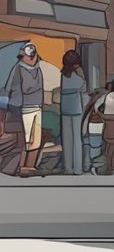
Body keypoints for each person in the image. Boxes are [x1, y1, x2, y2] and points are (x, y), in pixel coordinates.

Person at [2, 43, 47, 176]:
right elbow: (27, 88)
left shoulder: (36, 69)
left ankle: (30, 166)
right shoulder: (20, 69)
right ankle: (22, 167)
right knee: (26, 140)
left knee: (35, 140)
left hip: (35, 105)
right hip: (23, 107)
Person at [58, 50, 88, 175]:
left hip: (64, 109)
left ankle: (68, 168)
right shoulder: (78, 78)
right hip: (76, 109)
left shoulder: (60, 77)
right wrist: (82, 75)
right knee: (77, 139)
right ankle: (78, 168)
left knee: (67, 139)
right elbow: (84, 89)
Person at [94, 81, 114, 174]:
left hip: (109, 125)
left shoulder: (104, 97)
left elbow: (96, 107)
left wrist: (102, 115)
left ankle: (113, 165)